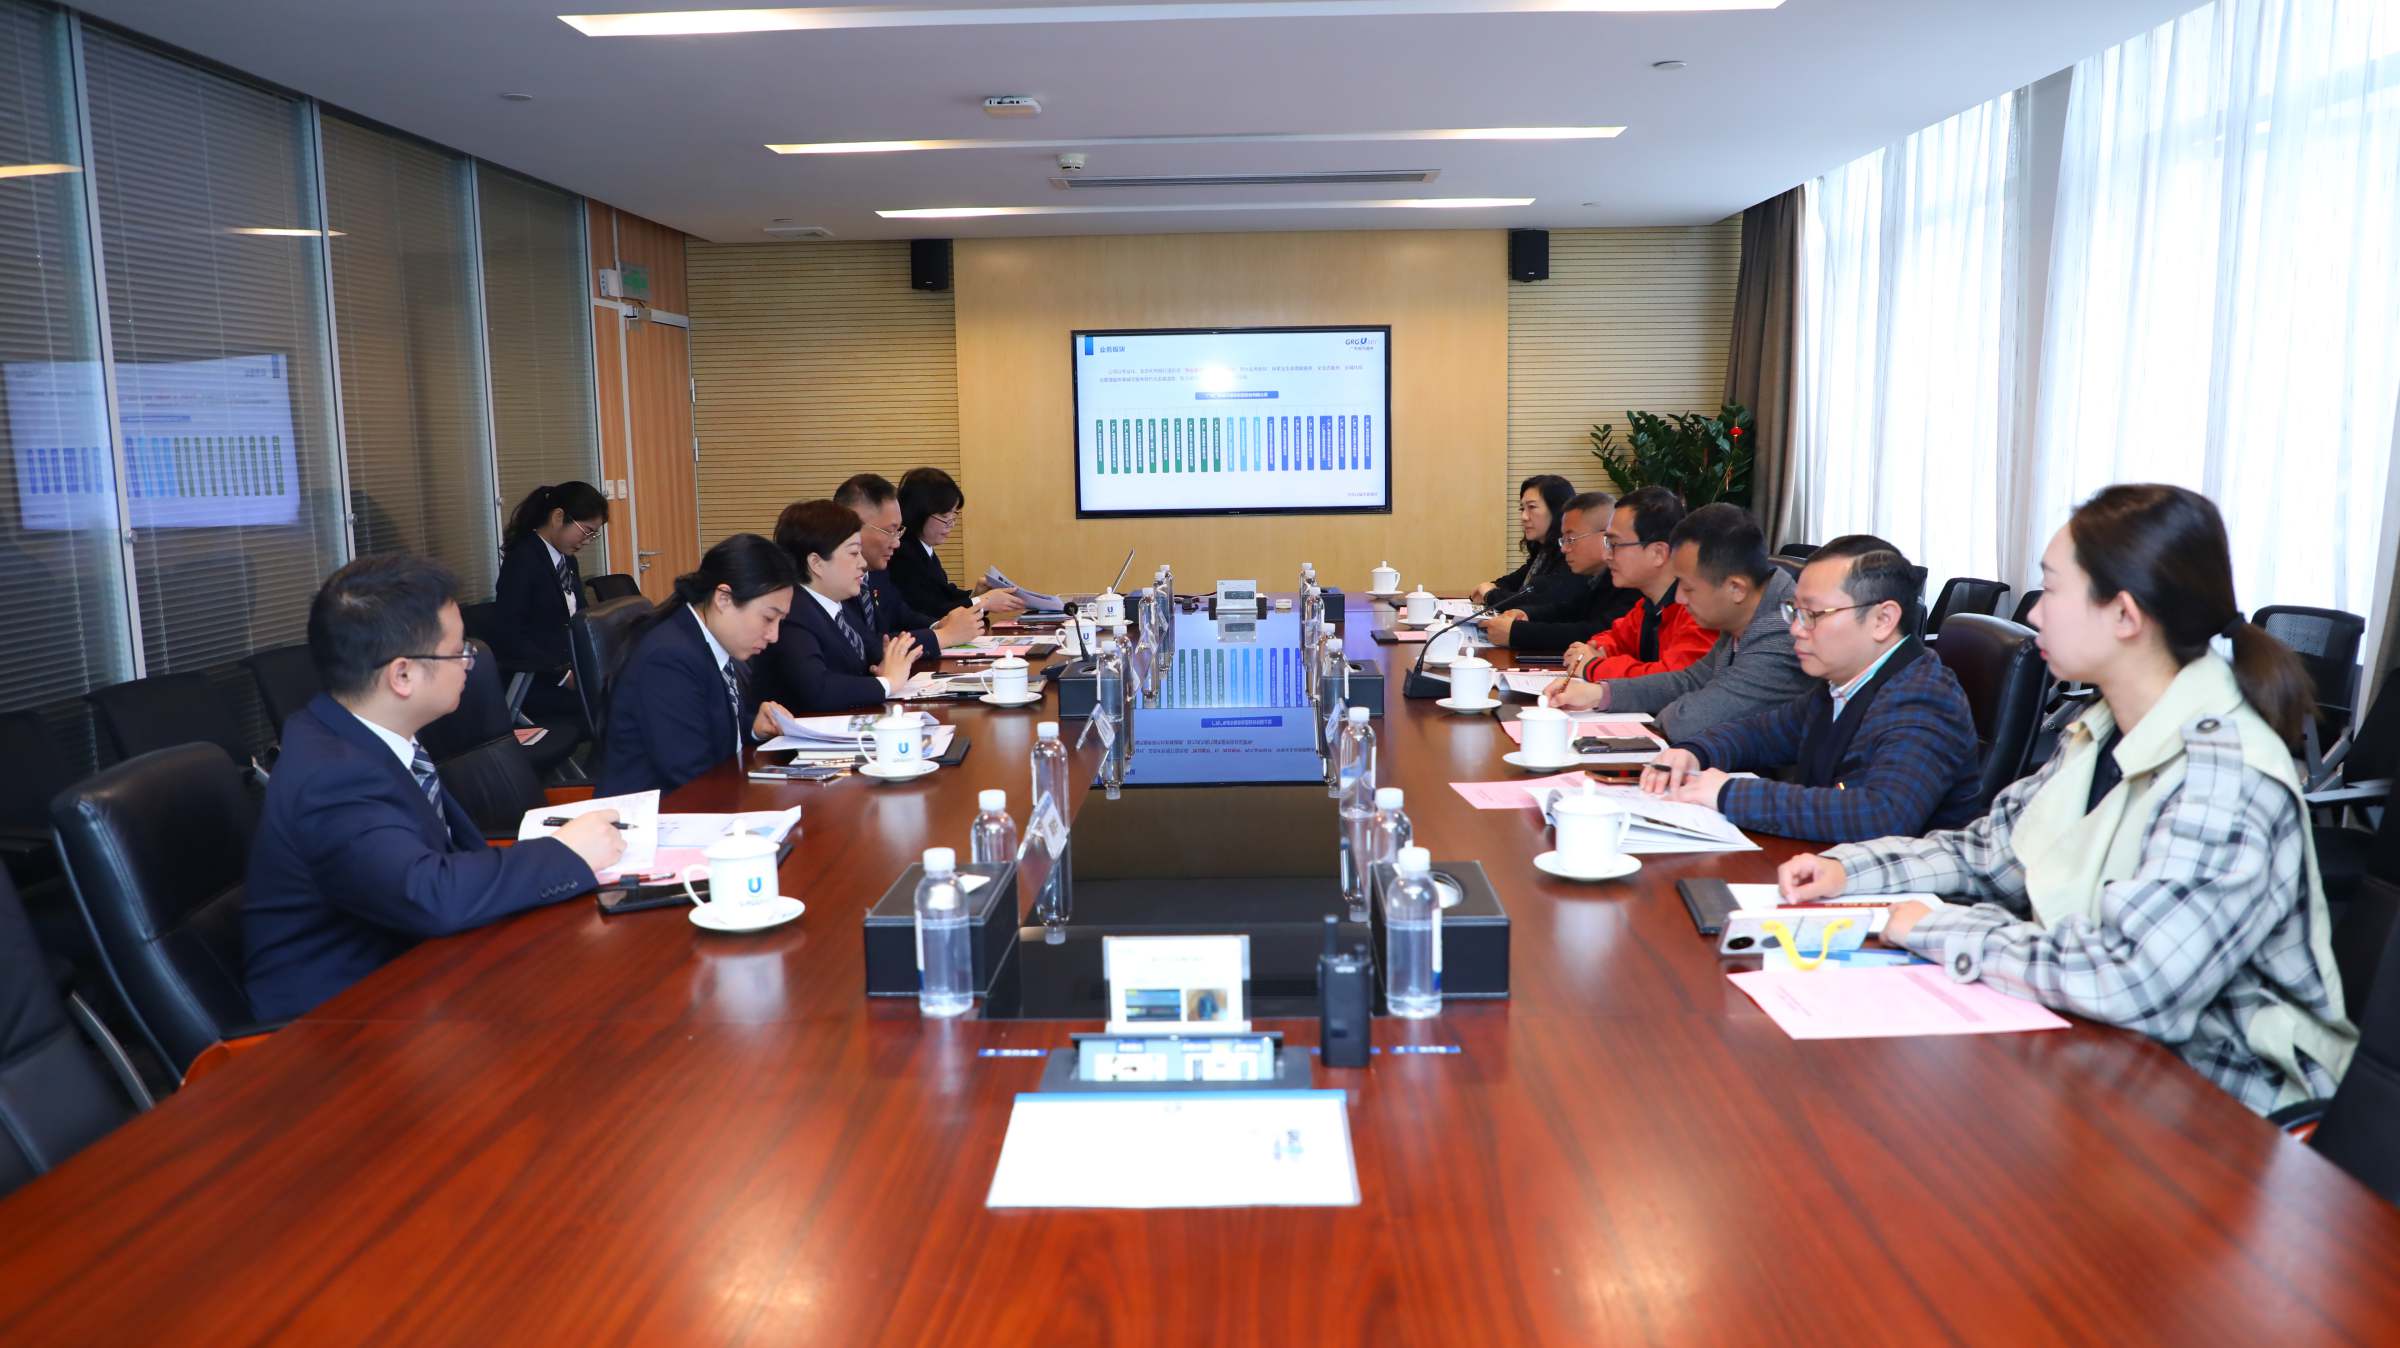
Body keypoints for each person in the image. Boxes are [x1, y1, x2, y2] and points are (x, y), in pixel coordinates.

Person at [1779, 484, 2355, 1116]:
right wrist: (1846, 871)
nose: (2034, 615)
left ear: (2124, 615)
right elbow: (1991, 854)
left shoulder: (2226, 773)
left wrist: (1940, 928)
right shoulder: (2102, 727)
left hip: (2221, 1111)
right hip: (2096, 1061)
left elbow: (2134, 980)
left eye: (2051, 590)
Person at [244, 555, 624, 1022]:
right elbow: (430, 893)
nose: (469, 663)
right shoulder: (332, 775)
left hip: (418, 977)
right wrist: (565, 853)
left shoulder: (363, 735)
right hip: (340, 1024)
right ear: (402, 675)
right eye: (459, 651)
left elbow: (444, 861)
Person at [1640, 535, 1983, 842]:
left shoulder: (1924, 698)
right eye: (1795, 611)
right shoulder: (1841, 684)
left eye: (1813, 614)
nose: (1796, 629)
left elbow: (1881, 813)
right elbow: (1761, 733)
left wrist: (1728, 793)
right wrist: (1695, 751)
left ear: (1882, 620)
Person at [1545, 502, 1808, 739]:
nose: (1679, 598)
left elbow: (1689, 720)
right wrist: (1601, 694)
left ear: (1736, 588)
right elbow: (1689, 681)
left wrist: (1664, 714)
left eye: (1688, 588)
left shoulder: (1782, 632)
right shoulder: (1743, 611)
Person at [594, 534, 799, 797]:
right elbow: (694, 776)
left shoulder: (706, 639)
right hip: (659, 813)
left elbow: (709, 726)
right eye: (768, 618)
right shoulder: (668, 660)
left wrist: (752, 728)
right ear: (723, 599)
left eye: (781, 621)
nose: (774, 635)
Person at [758, 499, 919, 712]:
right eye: (853, 553)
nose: (862, 563)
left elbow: (871, 650)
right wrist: (887, 683)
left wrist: (886, 661)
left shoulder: (837, 606)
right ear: (816, 563)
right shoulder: (792, 614)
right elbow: (818, 690)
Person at [1540, 486, 1712, 684]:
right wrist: (1595, 650)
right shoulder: (1648, 605)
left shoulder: (1699, 610)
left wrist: (1593, 666)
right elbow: (1614, 638)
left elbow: (1670, 680)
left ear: (1658, 553)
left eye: (1614, 545)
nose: (1606, 555)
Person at [491, 481, 608, 721]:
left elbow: (579, 618)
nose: (587, 540)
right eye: (586, 531)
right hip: (539, 679)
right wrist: (562, 674)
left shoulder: (567, 560)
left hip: (569, 669)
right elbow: (509, 635)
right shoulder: (523, 561)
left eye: (593, 535)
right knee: (613, 706)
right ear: (558, 517)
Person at [834, 472, 980, 658]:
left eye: (899, 531)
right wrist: (943, 636)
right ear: (853, 525)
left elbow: (899, 612)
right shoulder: (833, 581)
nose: (896, 543)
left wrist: (939, 625)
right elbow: (864, 646)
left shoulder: (876, 572)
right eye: (890, 531)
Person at [1482, 490, 1638, 653]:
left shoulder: (1632, 583)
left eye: (1571, 539)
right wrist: (1526, 614)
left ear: (1605, 536)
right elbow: (1569, 610)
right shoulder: (1599, 577)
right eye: (1563, 540)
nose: (1564, 549)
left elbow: (1596, 632)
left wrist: (1517, 633)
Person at [887, 466, 1027, 622]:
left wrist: (977, 595)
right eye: (944, 516)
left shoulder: (922, 547)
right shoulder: (902, 552)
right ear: (918, 513)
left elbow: (944, 595)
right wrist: (983, 602)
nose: (951, 524)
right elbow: (930, 611)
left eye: (954, 514)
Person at [1470, 475, 1582, 611]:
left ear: (1557, 510)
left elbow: (1537, 601)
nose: (1523, 517)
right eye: (1522, 509)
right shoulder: (1543, 553)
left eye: (1532, 507)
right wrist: (1492, 586)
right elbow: (1514, 581)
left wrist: (1490, 594)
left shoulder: (1572, 556)